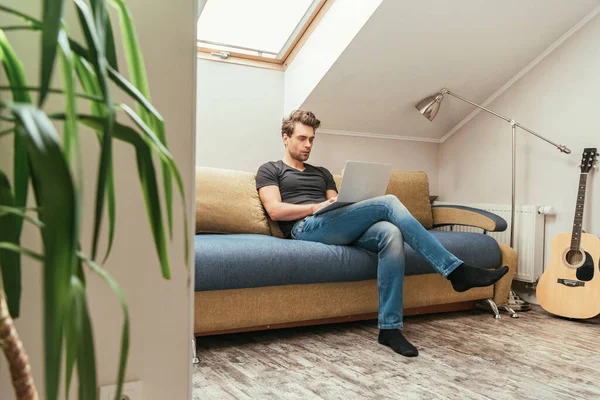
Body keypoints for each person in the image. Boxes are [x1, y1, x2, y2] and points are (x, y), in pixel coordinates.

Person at [256, 110, 508, 357]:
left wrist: (348, 203)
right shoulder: (271, 170)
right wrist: (314, 207)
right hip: (305, 227)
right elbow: (275, 210)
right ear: (285, 137)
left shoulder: (321, 173)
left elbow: (337, 202)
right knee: (388, 202)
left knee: (390, 232)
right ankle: (455, 271)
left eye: (312, 139)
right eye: (302, 138)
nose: (308, 144)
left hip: (335, 223)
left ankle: (390, 328)